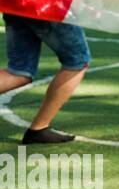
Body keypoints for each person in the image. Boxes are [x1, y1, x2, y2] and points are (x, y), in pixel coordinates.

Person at [0, 14, 90, 144]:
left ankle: (39, 130)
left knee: (19, 72)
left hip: (16, 3)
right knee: (77, 62)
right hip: (49, 4)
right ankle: (39, 128)